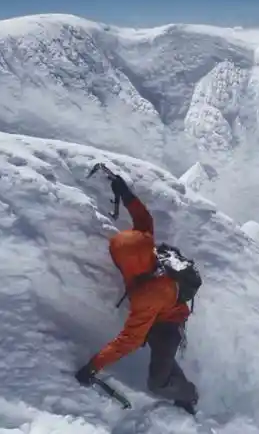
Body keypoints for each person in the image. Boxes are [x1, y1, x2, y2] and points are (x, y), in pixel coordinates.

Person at [74, 172, 199, 414]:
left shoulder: (149, 292)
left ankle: (188, 395)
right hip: (163, 311)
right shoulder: (147, 250)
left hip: (168, 325)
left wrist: (93, 366)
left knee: (157, 383)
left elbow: (129, 339)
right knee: (163, 360)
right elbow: (143, 220)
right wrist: (126, 194)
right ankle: (179, 384)